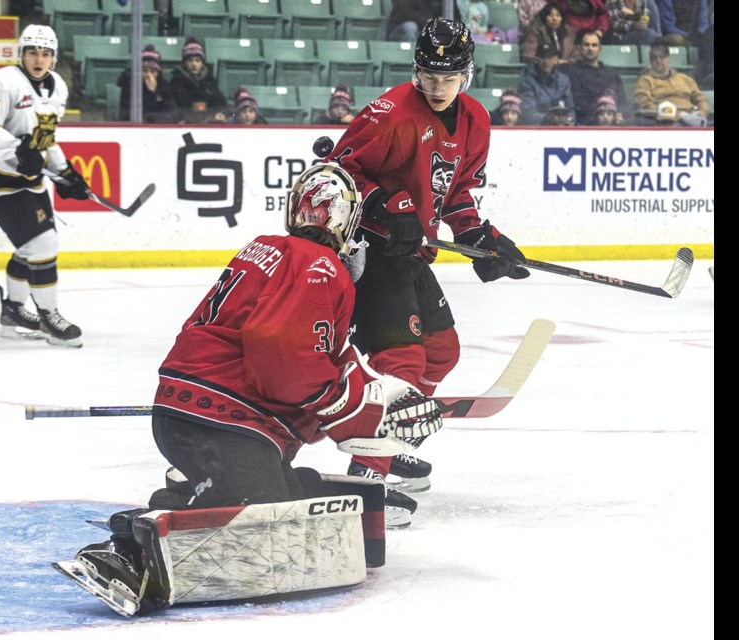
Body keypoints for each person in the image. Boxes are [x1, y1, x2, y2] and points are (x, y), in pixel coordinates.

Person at [54, 163, 443, 615]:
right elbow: (282, 358)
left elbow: (308, 360)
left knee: (283, 500)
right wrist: (351, 408)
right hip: (224, 423)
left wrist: (366, 402)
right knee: (259, 512)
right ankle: (127, 549)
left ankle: (193, 487)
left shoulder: (265, 249)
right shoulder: (321, 266)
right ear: (346, 221)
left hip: (196, 413)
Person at [325, 18, 530, 520]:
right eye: (429, 75)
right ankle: (366, 475)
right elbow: (338, 169)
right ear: (416, 72)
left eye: (449, 76)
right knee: (403, 362)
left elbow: (455, 192)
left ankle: (390, 442)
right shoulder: (389, 112)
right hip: (368, 250)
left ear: (468, 74)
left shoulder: (477, 120)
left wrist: (478, 236)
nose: (438, 87)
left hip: (412, 254)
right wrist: (384, 206)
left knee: (441, 352)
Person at [0, 24, 87, 348]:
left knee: (31, 248)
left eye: (46, 53)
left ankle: (14, 312)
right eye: (32, 51)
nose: (39, 58)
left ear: (53, 57)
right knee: (44, 246)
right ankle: (50, 317)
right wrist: (18, 149)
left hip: (30, 182)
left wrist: (66, 172)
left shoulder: (57, 86)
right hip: (0, 182)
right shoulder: (4, 81)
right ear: (22, 54)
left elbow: (46, 140)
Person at [562, 29, 629, 125]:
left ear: (600, 49)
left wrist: (620, 113)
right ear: (579, 48)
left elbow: (623, 100)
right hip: (586, 123)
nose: (590, 48)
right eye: (586, 45)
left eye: (594, 45)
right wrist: (601, 112)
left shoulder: (611, 73)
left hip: (612, 122)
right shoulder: (572, 72)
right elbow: (578, 103)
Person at [633, 41, 709, 125]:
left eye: (661, 57)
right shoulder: (645, 80)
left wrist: (703, 110)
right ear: (650, 61)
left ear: (668, 58)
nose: (658, 61)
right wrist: (669, 114)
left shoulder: (685, 79)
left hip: (688, 116)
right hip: (663, 118)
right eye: (654, 58)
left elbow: (701, 98)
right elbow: (644, 102)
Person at [169, 36, 228, 124]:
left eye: (197, 60)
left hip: (208, 124)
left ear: (202, 63)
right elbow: (173, 108)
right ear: (184, 63)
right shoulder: (175, 82)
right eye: (190, 61)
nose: (194, 64)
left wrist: (219, 114)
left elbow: (221, 104)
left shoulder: (210, 81)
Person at [518, 41, 577, 125]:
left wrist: (569, 121)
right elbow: (528, 114)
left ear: (556, 59)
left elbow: (570, 109)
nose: (546, 61)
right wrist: (549, 119)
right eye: (542, 57)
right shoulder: (527, 82)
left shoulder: (564, 80)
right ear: (536, 59)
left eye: (550, 57)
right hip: (538, 130)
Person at [116, 44, 178, 123]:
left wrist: (154, 92)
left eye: (153, 71)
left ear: (158, 73)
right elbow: (127, 113)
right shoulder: (129, 84)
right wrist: (150, 93)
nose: (149, 75)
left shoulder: (163, 85)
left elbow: (171, 112)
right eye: (145, 71)